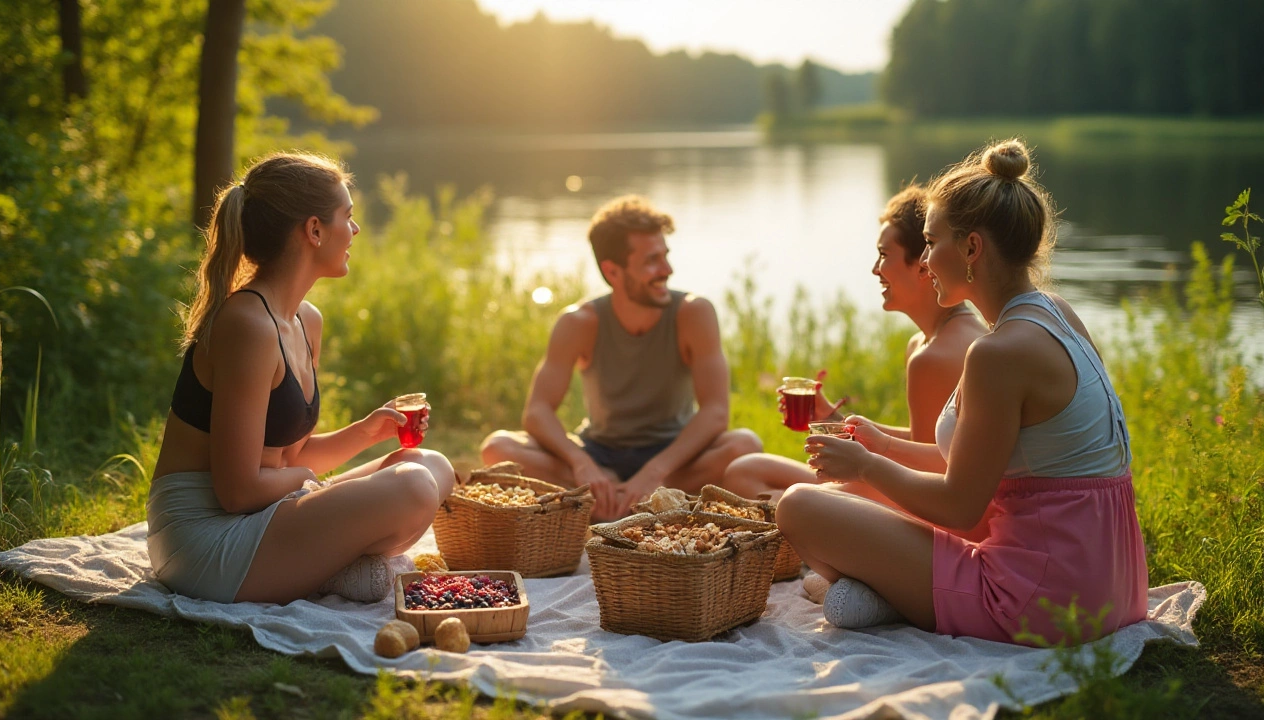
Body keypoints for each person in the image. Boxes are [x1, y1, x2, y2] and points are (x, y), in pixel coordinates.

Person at [777, 139, 1148, 645]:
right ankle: (889, 592)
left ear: (972, 248)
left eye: (931, 243)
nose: (925, 260)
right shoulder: (1057, 313)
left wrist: (866, 466)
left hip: (1042, 600)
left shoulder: (997, 354)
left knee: (800, 506)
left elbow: (960, 507)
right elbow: (979, 465)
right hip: (1111, 586)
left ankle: (890, 597)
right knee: (844, 496)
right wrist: (879, 446)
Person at [147, 152, 455, 605]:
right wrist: (310, 483)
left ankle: (322, 562)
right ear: (313, 230)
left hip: (264, 511)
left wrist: (368, 431)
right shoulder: (247, 324)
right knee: (410, 488)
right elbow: (237, 490)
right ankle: (328, 565)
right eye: (346, 217)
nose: (355, 231)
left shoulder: (305, 321)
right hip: (204, 540)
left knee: (432, 466)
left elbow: (286, 456)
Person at [479, 195, 762, 521]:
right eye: (652, 261)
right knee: (497, 448)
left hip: (675, 457)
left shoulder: (694, 313)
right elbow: (538, 411)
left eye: (665, 257)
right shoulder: (578, 322)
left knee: (745, 446)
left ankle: (620, 500)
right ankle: (632, 498)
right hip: (599, 454)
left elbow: (715, 412)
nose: (667, 270)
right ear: (612, 271)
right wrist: (581, 464)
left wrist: (655, 471)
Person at [722, 185, 987, 502]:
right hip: (914, 485)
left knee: (761, 485)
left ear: (922, 266)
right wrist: (835, 422)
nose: (876, 269)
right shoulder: (925, 342)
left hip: (924, 502)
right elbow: (927, 446)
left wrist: (850, 470)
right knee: (746, 471)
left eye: (884, 255)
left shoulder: (935, 355)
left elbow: (934, 471)